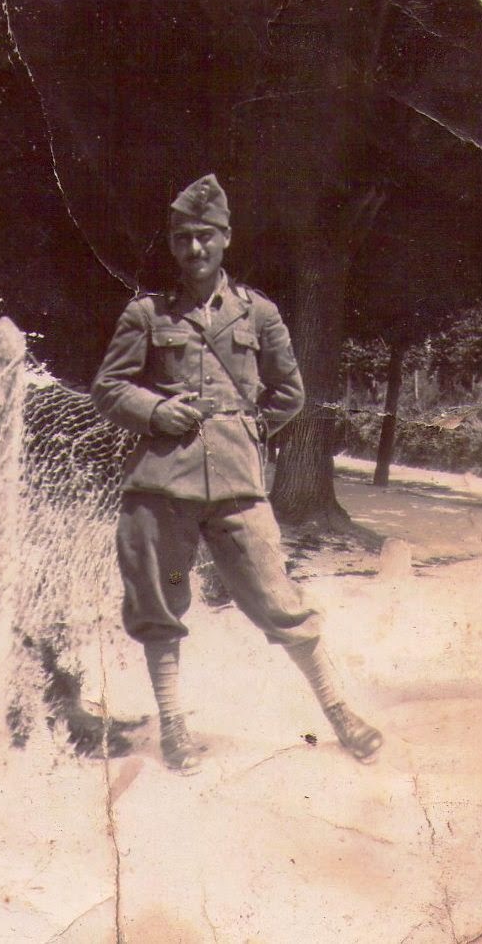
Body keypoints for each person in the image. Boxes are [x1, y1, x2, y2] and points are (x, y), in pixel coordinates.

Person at [91, 174, 382, 772]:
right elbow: (108, 387)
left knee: (278, 598)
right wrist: (156, 410)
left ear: (225, 239)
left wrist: (248, 432)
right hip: (160, 482)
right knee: (158, 606)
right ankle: (173, 727)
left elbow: (289, 393)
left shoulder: (260, 314)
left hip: (237, 482)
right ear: (172, 246)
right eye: (181, 239)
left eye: (204, 237)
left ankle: (339, 711)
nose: (193, 250)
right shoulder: (145, 313)